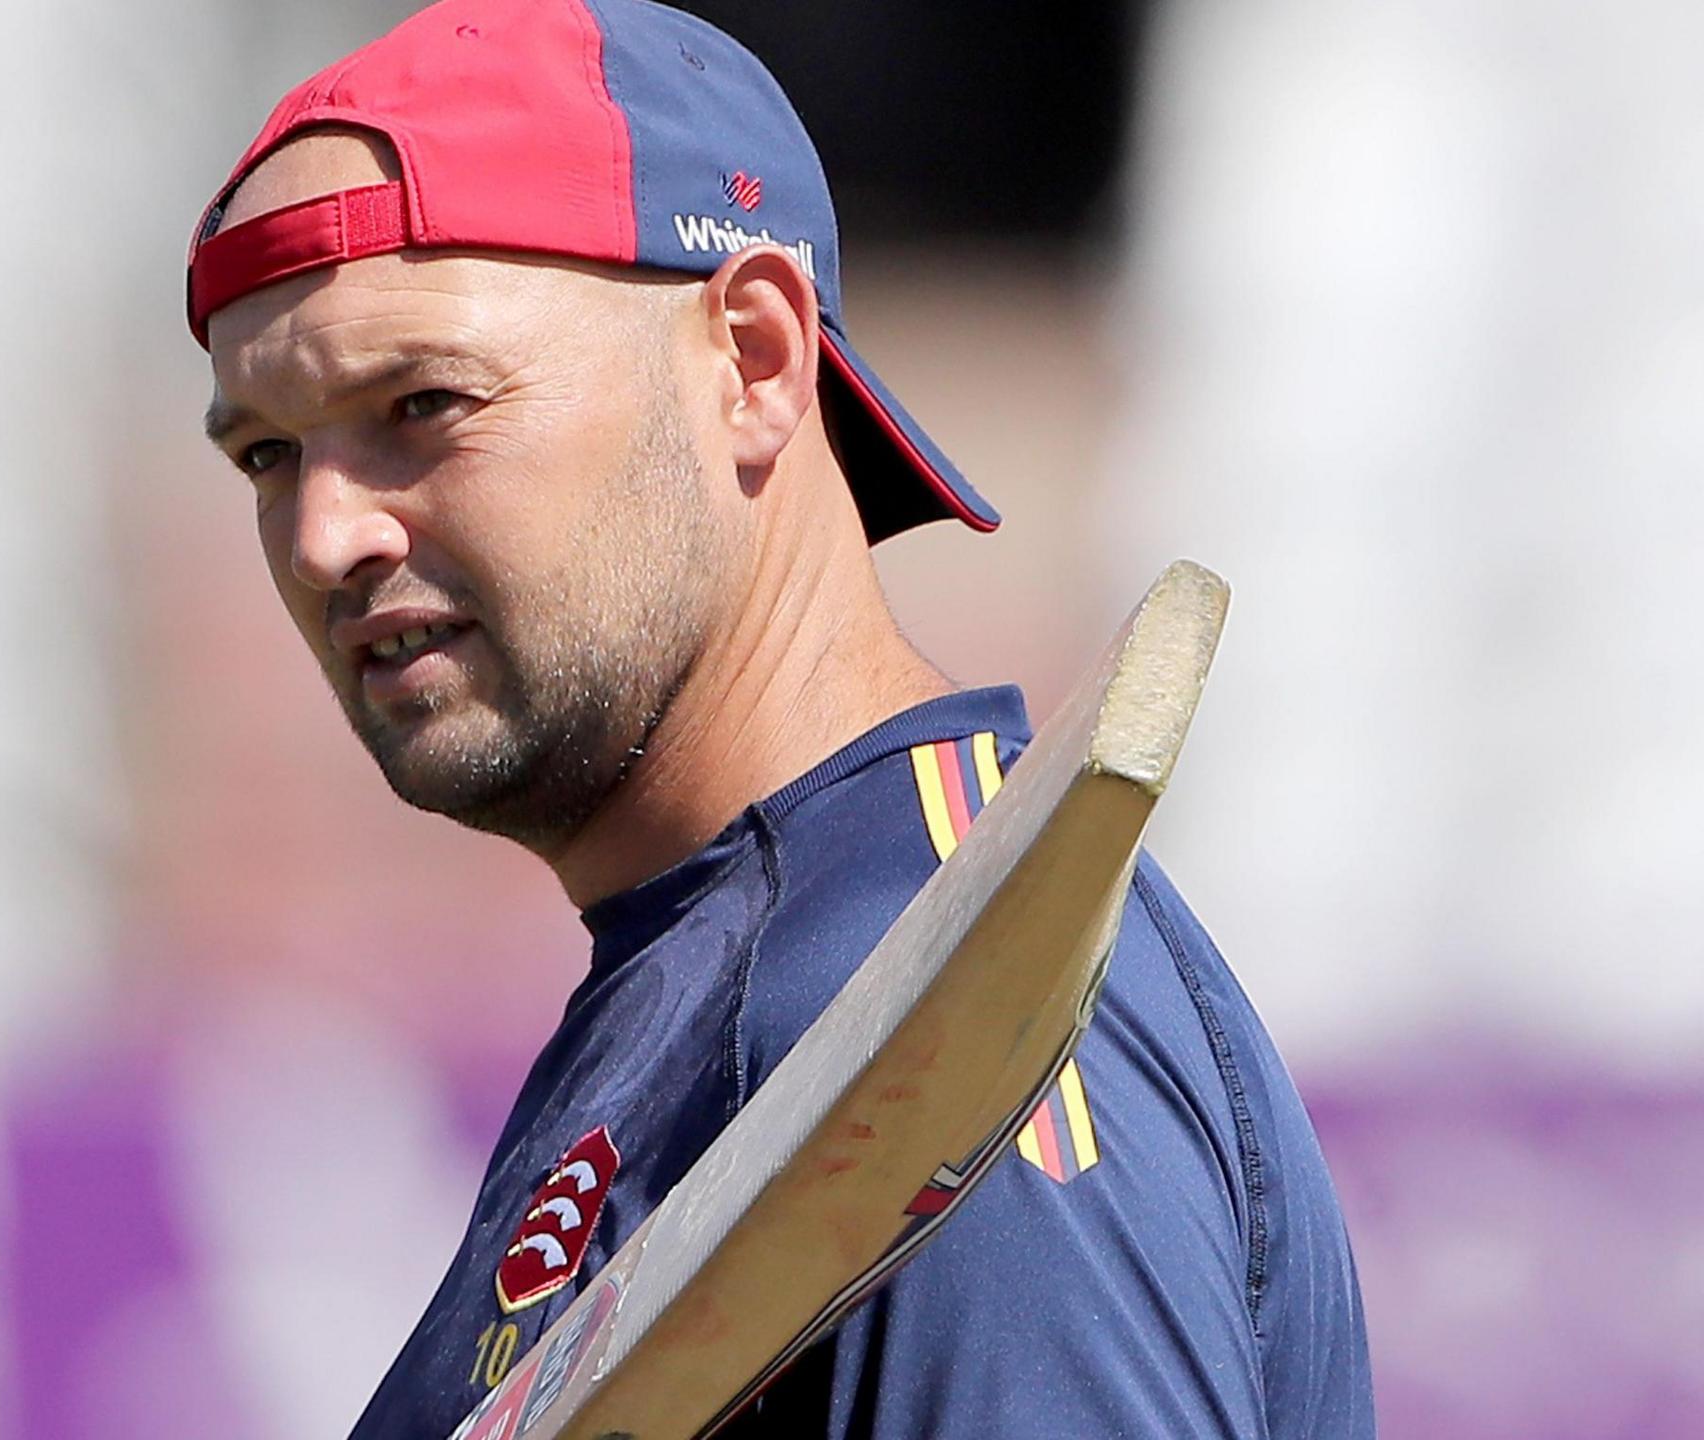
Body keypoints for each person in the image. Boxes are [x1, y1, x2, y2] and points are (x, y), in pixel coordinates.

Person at [184, 1, 1374, 1435]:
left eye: (425, 402)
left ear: (752, 360)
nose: (322, 537)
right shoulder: (733, 971)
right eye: (266, 453)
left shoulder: (940, 1007)